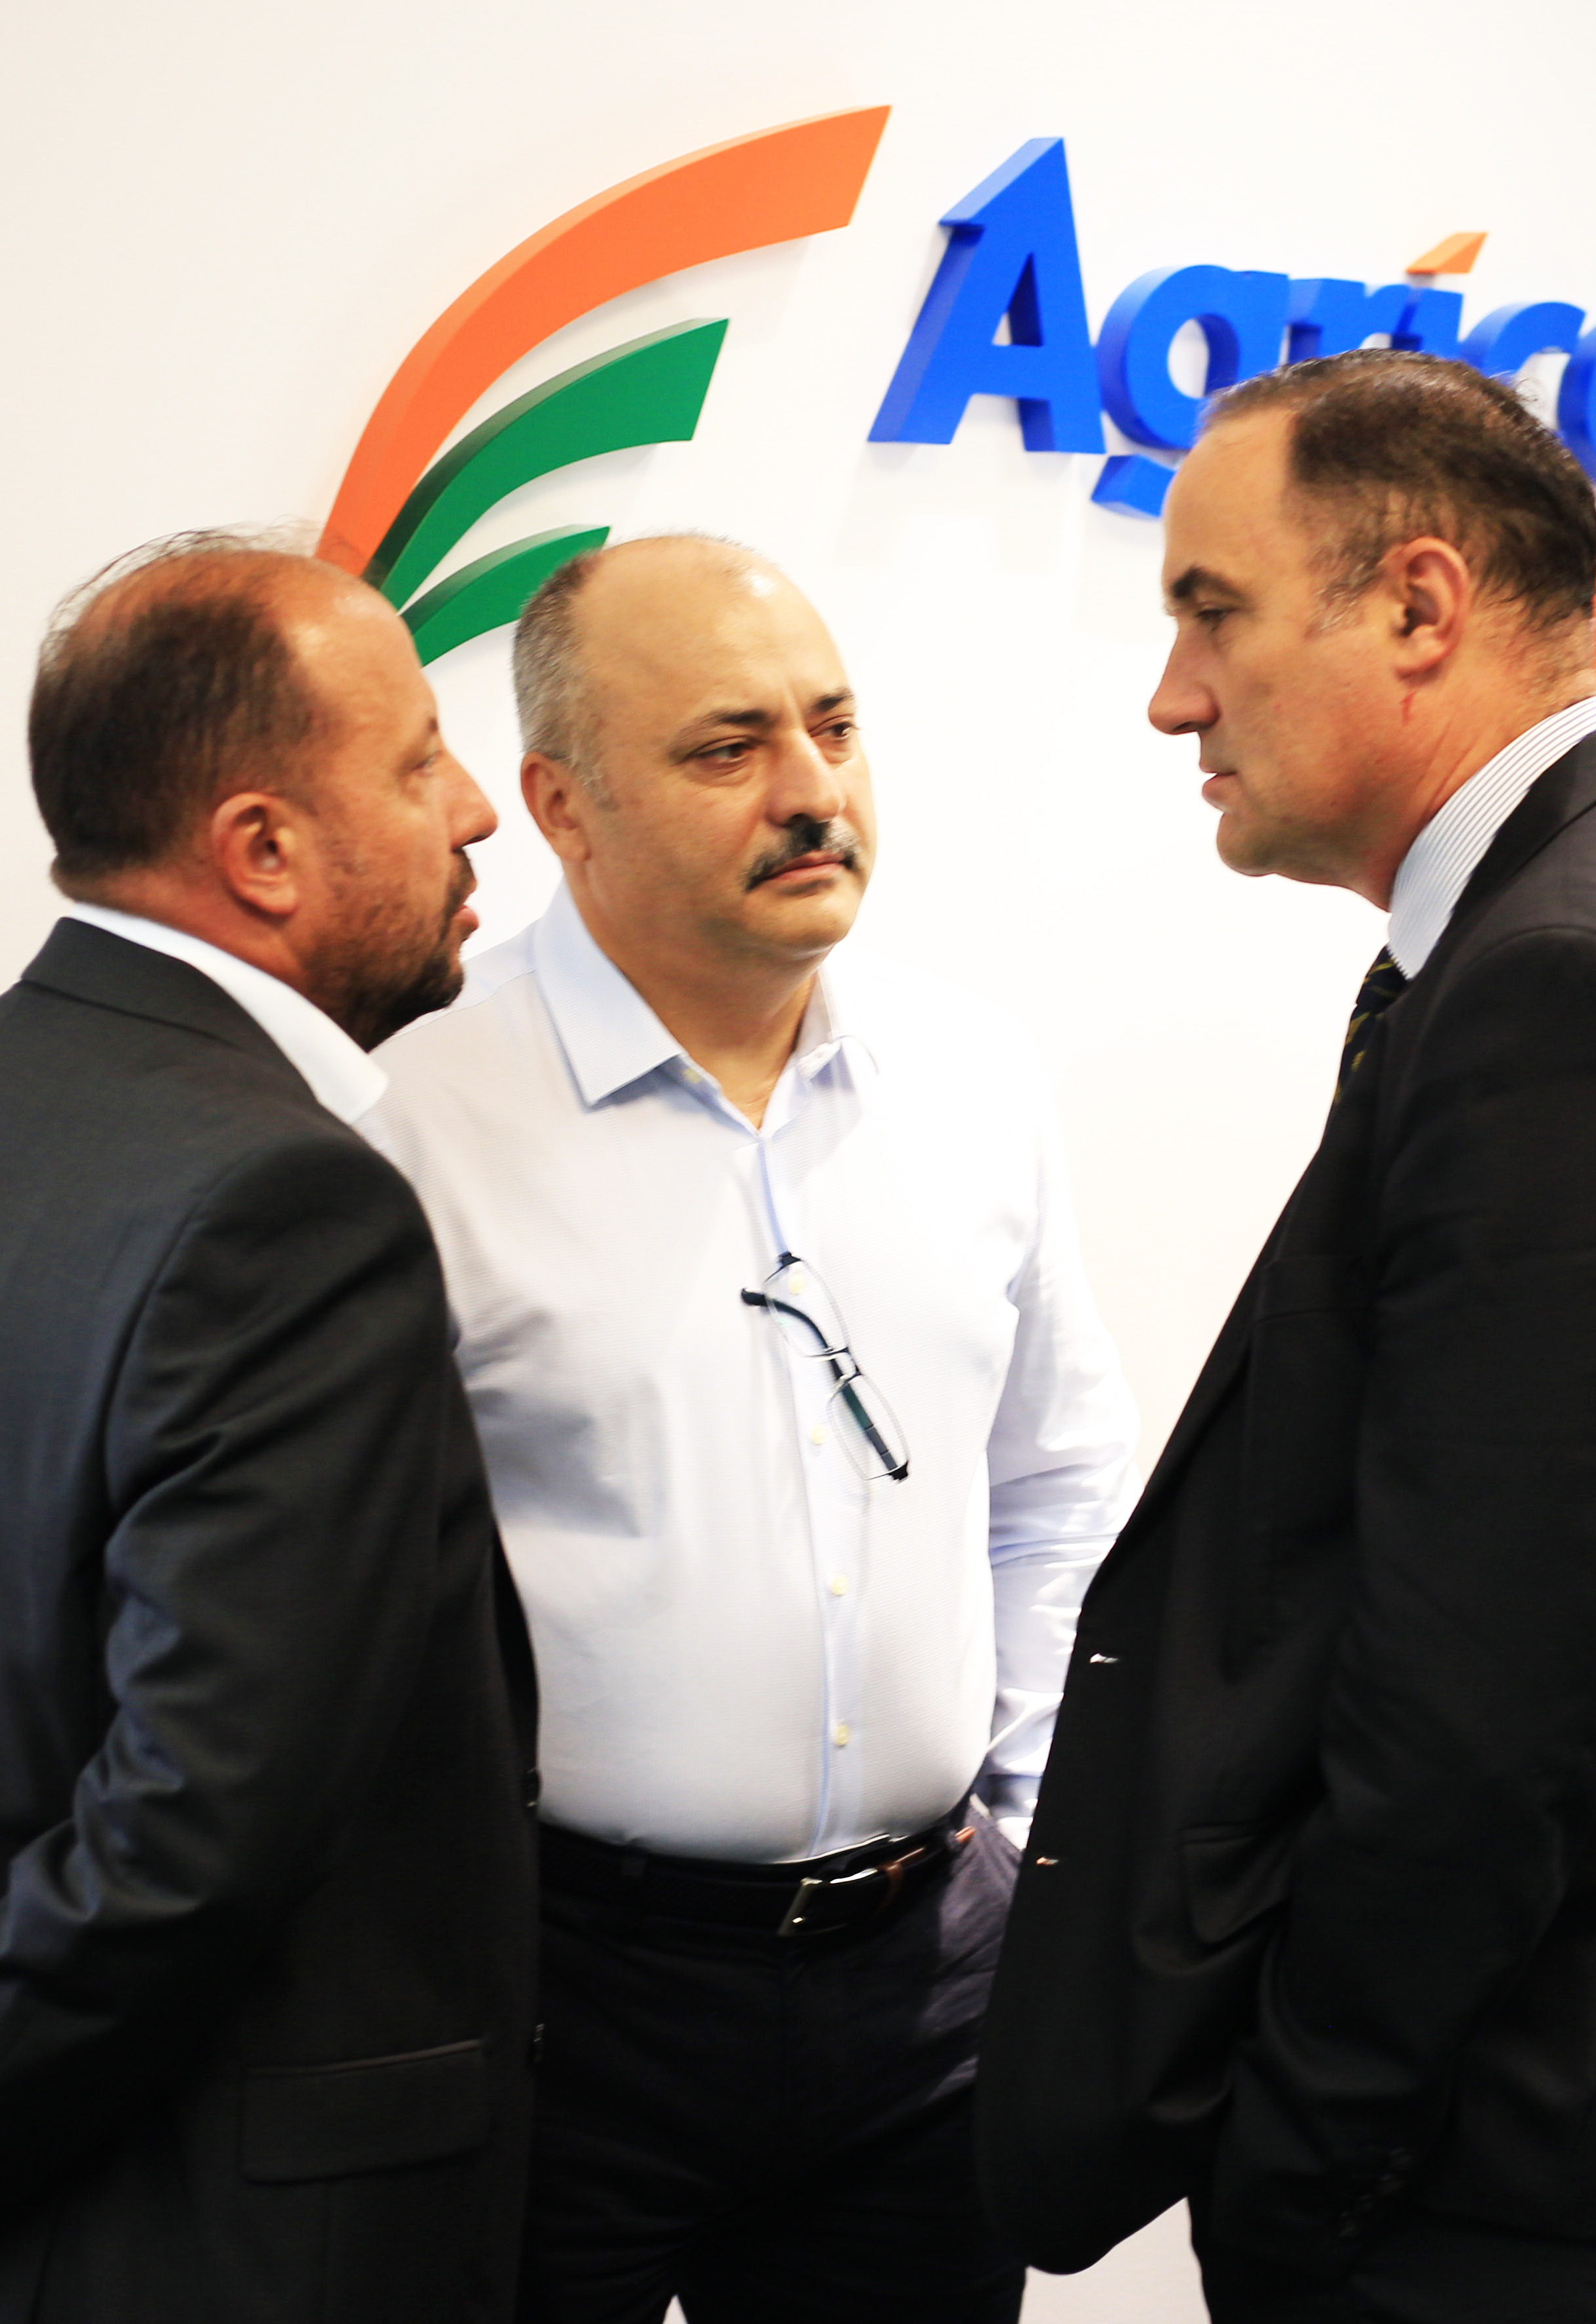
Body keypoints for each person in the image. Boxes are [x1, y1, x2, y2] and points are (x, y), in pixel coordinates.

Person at [974, 350, 1596, 2324]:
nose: (1172, 695)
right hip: (1542, 2128)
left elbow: (1485, 1711)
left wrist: (1303, 2162)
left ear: (1417, 605)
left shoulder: (1577, 982)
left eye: (1212, 613)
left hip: (1489, 2170)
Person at [0, 534, 535, 2321]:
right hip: (202, 2247)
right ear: (261, 850)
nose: (474, 812)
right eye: (417, 762)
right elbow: (204, 1811)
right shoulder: (295, 1206)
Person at [357, 536, 1134, 2324]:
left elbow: (1055, 1487)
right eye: (728, 749)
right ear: (562, 805)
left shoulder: (972, 1077)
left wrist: (1026, 1838)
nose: (811, 793)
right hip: (562, 1999)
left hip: (929, 1992)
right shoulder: (410, 1118)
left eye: (834, 728)